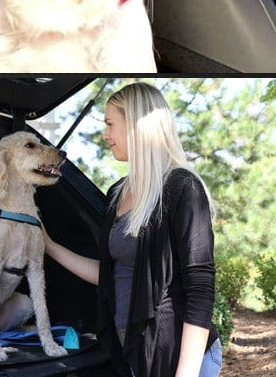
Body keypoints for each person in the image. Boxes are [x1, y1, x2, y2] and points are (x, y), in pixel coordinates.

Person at [43, 82, 222, 376]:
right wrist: (48, 245)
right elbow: (111, 276)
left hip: (179, 358)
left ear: (137, 126)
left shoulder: (182, 188)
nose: (105, 135)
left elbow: (200, 287)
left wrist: (186, 373)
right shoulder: (117, 193)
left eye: (110, 124)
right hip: (136, 354)